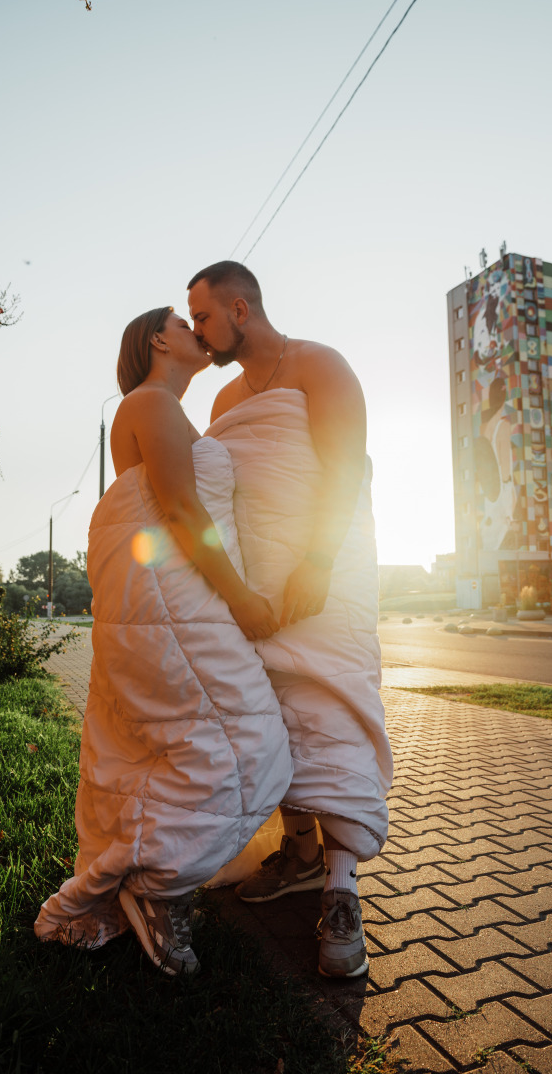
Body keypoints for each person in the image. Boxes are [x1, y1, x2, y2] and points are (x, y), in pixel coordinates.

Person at [34, 307, 292, 976]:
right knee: (240, 741)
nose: (195, 329)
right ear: (156, 339)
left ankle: (154, 883)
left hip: (176, 599)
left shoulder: (167, 411)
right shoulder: (149, 402)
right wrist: (240, 596)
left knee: (184, 746)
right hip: (175, 605)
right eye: (184, 320)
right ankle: (158, 889)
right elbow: (176, 510)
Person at [188, 261, 393, 979]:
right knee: (271, 714)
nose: (196, 332)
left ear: (240, 309)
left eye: (204, 318)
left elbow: (345, 469)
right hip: (258, 590)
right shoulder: (220, 401)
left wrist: (317, 560)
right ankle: (300, 852)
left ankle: (342, 891)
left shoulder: (320, 366)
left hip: (326, 575)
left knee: (330, 708)